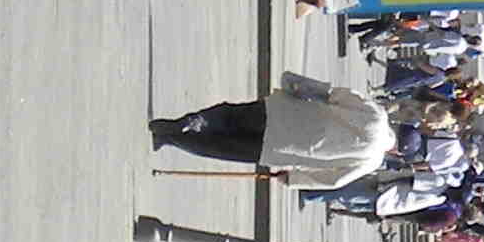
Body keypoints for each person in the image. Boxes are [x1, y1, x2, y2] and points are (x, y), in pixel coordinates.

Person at [151, 74, 394, 188]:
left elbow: (332, 94)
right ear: (395, 151)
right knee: (219, 147)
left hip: (282, 112)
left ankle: (194, 121)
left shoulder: (377, 114)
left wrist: (294, 84)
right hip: (280, 149)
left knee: (229, 115)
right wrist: (292, 178)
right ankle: (171, 138)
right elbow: (335, 180)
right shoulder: (372, 160)